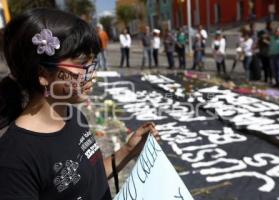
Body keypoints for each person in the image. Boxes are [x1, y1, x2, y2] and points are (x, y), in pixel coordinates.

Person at [0, 8, 160, 200]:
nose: (92, 74)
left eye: (93, 63)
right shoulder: (15, 158)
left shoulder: (73, 116)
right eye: (83, 64)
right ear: (43, 75)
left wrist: (129, 150)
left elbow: (89, 179)